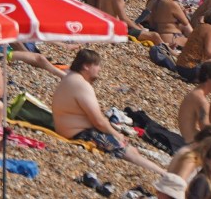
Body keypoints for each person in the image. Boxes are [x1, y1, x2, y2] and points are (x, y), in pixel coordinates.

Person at [50, 48, 166, 176]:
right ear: (86, 66)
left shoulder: (70, 78)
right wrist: (117, 134)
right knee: (128, 152)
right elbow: (98, 121)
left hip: (71, 130)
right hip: (79, 134)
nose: (99, 69)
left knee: (131, 149)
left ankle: (159, 171)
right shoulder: (81, 84)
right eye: (97, 65)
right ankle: (163, 173)